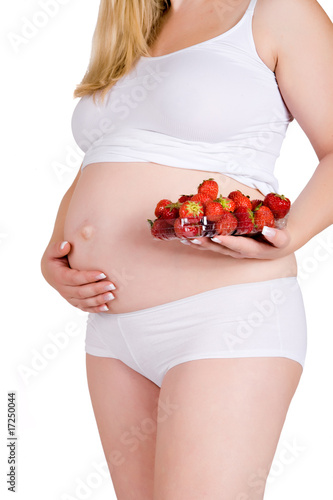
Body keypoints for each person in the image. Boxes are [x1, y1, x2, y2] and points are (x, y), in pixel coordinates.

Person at [41, 0, 333, 498]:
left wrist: (289, 235)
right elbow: (105, 156)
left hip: (224, 317)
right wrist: (56, 252)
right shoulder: (131, 25)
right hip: (112, 335)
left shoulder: (276, 11)